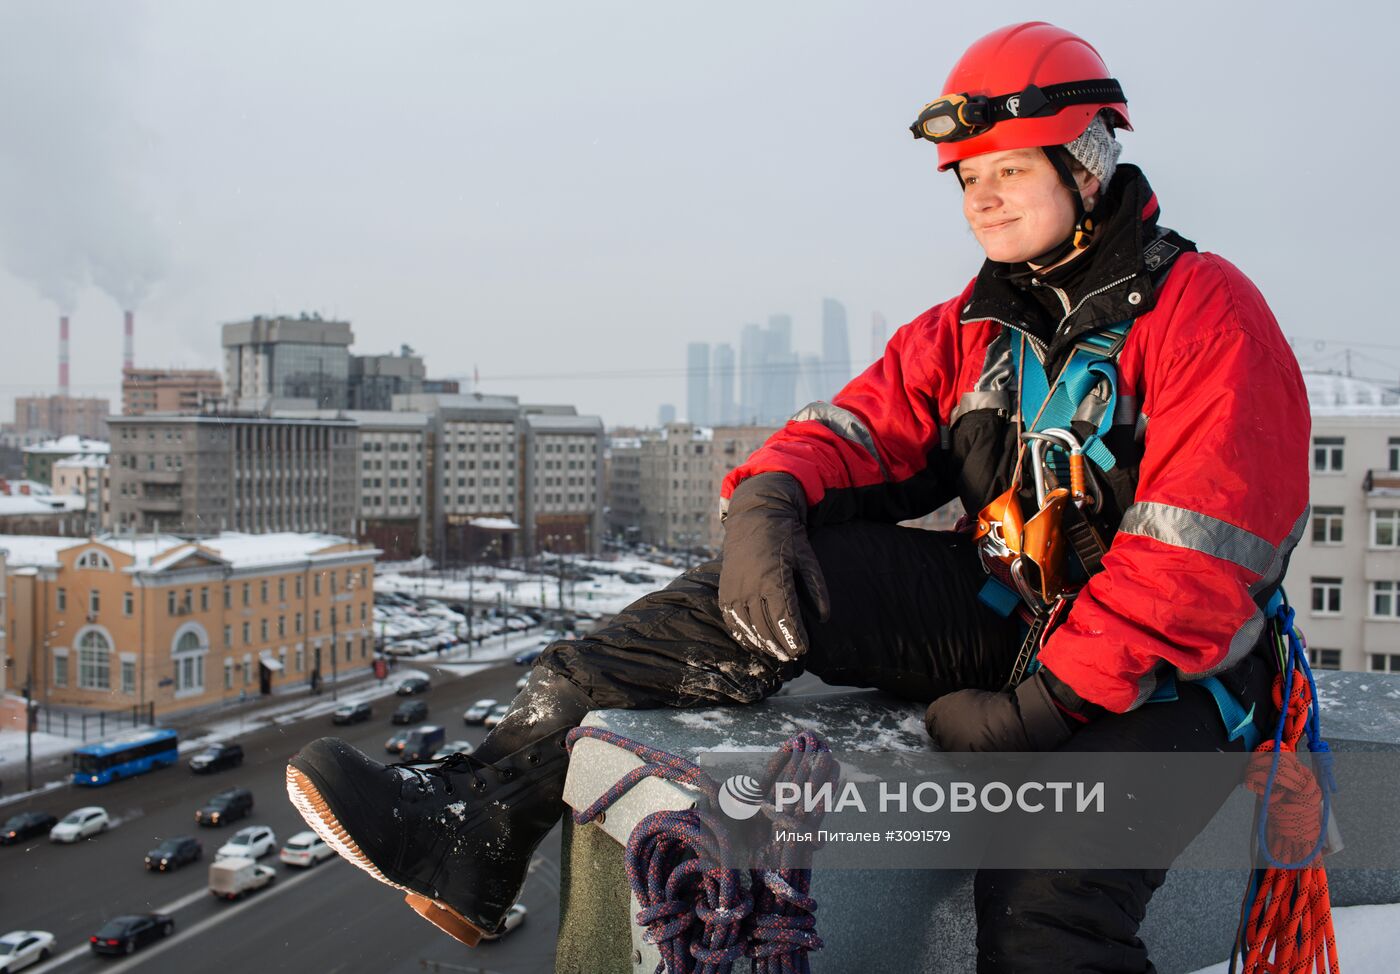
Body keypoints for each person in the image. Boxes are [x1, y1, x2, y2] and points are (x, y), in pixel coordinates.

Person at [287, 21, 1309, 970]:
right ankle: (476, 822)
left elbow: (1196, 568)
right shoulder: (969, 326)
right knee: (773, 583)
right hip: (1014, 614)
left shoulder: (1205, 315)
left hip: (1171, 679)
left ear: (1082, 166)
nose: (980, 199)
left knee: (1043, 910)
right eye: (964, 178)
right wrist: (768, 500)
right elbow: (856, 429)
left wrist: (1033, 715)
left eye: (1007, 170)